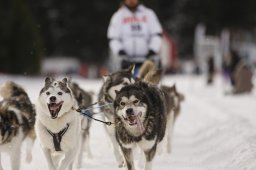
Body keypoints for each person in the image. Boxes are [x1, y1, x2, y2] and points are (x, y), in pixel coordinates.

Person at [107, 0, 163, 75]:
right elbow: (113, 38)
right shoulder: (118, 16)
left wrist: (152, 50)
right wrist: (121, 52)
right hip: (125, 61)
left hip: (146, 58)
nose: (131, 1)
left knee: (151, 81)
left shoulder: (149, 14)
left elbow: (157, 35)